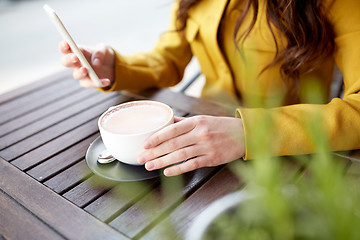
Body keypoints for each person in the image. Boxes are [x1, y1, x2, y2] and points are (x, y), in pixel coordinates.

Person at [59, 0, 360, 176]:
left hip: (290, 159)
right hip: (198, 145)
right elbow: (168, 58)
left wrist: (247, 133)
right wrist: (116, 68)